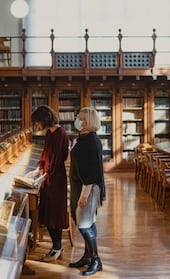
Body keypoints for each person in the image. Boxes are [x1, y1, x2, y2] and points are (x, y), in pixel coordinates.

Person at [69, 107, 106, 276]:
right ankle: (88, 256)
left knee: (84, 225)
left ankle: (96, 260)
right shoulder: (84, 138)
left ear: (88, 122)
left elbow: (90, 172)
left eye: (81, 118)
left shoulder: (90, 141)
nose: (77, 120)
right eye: (78, 117)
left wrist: (84, 195)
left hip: (88, 189)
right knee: (89, 223)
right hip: (83, 187)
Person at [31, 105, 69, 262]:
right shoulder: (49, 133)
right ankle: (56, 247)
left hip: (56, 179)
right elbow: (45, 153)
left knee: (54, 214)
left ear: (44, 120)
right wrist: (38, 167)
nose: (36, 126)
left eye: (37, 122)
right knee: (47, 212)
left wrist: (45, 176)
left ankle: (57, 248)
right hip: (47, 178)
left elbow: (57, 159)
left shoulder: (60, 134)